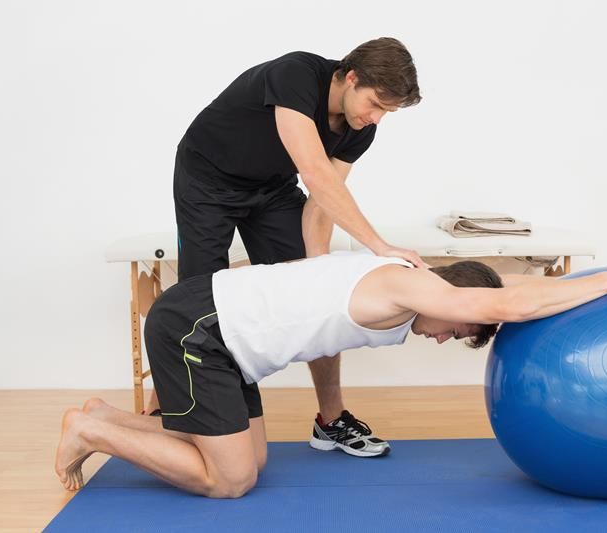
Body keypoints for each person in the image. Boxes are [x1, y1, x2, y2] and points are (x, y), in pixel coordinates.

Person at [56, 251, 607, 496]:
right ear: (449, 303)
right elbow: (503, 304)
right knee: (231, 481)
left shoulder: (415, 280)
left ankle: (102, 417)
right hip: (200, 329)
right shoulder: (409, 287)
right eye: (455, 330)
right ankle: (91, 434)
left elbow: (503, 286)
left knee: (256, 462)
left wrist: (576, 287)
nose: (442, 337)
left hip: (227, 336)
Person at [159, 37, 425, 455]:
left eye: (386, 112)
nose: (375, 118)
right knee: (198, 301)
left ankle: (331, 419)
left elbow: (322, 201)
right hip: (207, 179)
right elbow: (315, 172)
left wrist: (317, 271)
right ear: (351, 77)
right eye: (375, 104)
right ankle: (177, 415)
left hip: (271, 189)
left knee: (323, 297)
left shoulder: (359, 128)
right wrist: (378, 245)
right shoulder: (296, 75)